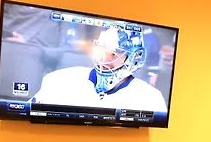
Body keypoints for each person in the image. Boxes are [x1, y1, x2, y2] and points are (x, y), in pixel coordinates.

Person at [30, 25, 168, 113]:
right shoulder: (59, 80)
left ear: (133, 58)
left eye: (114, 54)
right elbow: (27, 113)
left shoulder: (150, 98)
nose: (104, 60)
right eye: (102, 51)